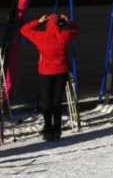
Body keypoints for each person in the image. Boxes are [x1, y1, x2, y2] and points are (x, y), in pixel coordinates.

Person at [19, 13, 79, 141]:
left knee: (46, 101)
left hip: (45, 72)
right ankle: (57, 130)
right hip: (61, 71)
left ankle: (47, 129)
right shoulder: (65, 35)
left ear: (48, 24)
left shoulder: (41, 36)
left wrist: (38, 21)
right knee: (57, 101)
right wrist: (68, 21)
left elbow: (24, 30)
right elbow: (76, 30)